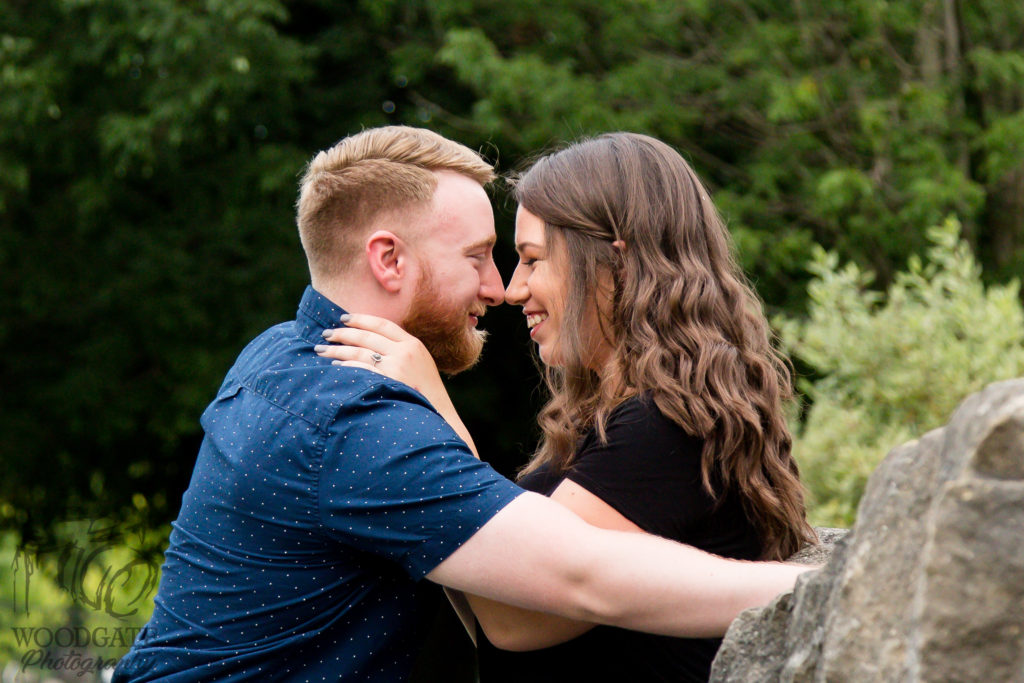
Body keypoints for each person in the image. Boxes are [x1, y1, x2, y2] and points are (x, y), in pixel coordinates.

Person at [114, 126, 813, 683]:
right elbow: (563, 576)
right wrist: (807, 584)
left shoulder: (278, 357)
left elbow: (553, 582)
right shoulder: (355, 420)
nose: (502, 286)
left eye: (524, 258)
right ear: (389, 259)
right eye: (481, 255)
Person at [316, 132, 817, 682]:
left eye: (532, 260)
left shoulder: (668, 424)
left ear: (614, 266)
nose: (512, 288)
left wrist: (433, 416)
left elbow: (517, 615)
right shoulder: (618, 417)